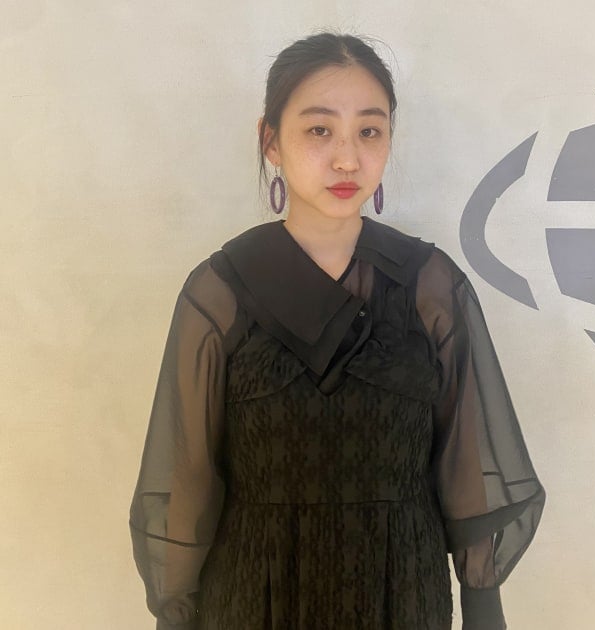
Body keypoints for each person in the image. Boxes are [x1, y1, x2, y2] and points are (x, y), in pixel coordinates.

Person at [129, 32, 545, 630]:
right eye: (320, 130)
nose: (348, 158)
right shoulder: (220, 291)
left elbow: (466, 463)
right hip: (255, 594)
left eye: (369, 131)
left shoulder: (430, 287)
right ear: (271, 141)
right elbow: (188, 475)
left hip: (402, 592)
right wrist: (175, 614)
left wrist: (483, 606)